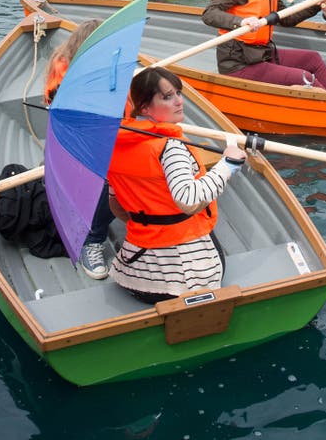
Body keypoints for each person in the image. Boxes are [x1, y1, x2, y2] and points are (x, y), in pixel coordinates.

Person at [106, 67, 247, 303]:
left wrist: (150, 223)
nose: (179, 102)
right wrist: (229, 164)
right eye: (167, 97)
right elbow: (188, 201)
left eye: (178, 93)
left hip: (135, 276)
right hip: (185, 282)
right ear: (144, 107)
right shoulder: (170, 147)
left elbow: (116, 205)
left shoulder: (114, 145)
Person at [45, 20, 115, 279]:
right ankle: (91, 241)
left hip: (106, 133)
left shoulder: (112, 64)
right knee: (105, 176)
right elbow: (66, 113)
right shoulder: (63, 68)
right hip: (72, 139)